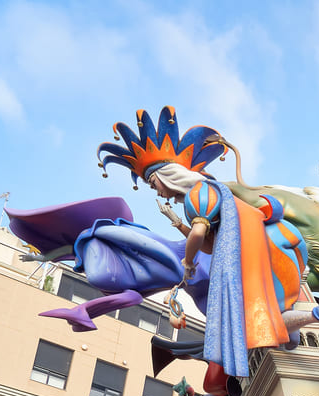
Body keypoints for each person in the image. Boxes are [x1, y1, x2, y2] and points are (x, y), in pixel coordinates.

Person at [97, 107, 306, 379]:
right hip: (254, 252)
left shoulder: (200, 192)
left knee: (266, 320)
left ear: (168, 175)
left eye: (154, 182)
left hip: (263, 252)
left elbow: (199, 237)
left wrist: (187, 262)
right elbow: (210, 245)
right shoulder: (200, 196)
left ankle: (312, 317)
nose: (157, 190)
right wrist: (178, 223)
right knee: (276, 330)